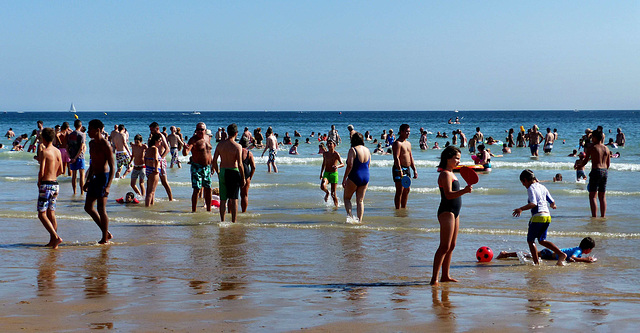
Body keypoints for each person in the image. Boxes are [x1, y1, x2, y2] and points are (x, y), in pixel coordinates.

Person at [430, 146, 472, 286]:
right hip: (446, 210)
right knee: (444, 246)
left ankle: (445, 276)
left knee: (452, 245)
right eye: (456, 158)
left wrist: (463, 191)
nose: (459, 161)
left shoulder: (453, 173)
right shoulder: (444, 174)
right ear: (448, 158)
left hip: (455, 212)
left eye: (459, 158)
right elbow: (448, 194)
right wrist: (464, 191)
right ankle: (434, 279)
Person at [512, 169, 566, 265]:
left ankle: (536, 263)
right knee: (542, 240)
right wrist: (553, 205)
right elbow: (552, 201)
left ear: (525, 180)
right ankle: (561, 254)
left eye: (523, 183)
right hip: (547, 217)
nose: (523, 185)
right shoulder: (542, 187)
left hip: (538, 217)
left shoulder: (531, 188)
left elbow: (533, 203)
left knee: (530, 240)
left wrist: (520, 209)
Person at [83, 119, 115, 244]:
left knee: (101, 209)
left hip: (104, 177)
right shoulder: (91, 144)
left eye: (90, 128)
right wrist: (88, 180)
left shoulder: (105, 144)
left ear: (97, 130)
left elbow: (112, 167)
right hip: (95, 177)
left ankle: (104, 238)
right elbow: (92, 163)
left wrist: (108, 186)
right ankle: (106, 232)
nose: (88, 131)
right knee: (88, 207)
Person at [36, 128, 64, 249]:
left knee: (41, 214)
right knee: (51, 213)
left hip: (46, 184)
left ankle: (55, 237)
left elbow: (41, 171)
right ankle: (53, 241)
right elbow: (62, 170)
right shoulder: (58, 151)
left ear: (43, 138)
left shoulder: (44, 152)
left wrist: (39, 182)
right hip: (55, 185)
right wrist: (53, 176)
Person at [213, 123, 245, 223]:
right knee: (234, 198)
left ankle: (222, 221)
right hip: (233, 171)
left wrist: (218, 172)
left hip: (223, 171)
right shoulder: (237, 146)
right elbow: (240, 164)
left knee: (223, 199)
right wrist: (243, 177)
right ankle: (233, 221)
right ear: (236, 133)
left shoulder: (220, 145)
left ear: (227, 132)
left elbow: (214, 161)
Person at [578, 130, 611, 217]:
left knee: (592, 196)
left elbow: (585, 161)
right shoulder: (607, 148)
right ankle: (603, 216)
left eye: (592, 137)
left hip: (596, 171)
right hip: (604, 171)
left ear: (595, 138)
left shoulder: (592, 148)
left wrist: (579, 165)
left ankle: (594, 216)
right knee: (602, 196)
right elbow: (608, 164)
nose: (591, 138)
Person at [182, 122, 213, 212]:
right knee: (197, 189)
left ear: (205, 130)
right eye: (198, 129)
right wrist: (184, 148)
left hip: (207, 167)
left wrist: (213, 165)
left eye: (201, 129)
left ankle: (209, 209)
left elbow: (209, 152)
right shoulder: (193, 140)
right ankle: (194, 211)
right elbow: (185, 153)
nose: (199, 131)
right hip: (197, 167)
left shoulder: (208, 138)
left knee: (208, 188)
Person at [497, 237, 597, 263]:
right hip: (549, 254)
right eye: (591, 250)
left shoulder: (578, 249)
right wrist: (586, 260)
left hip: (549, 253)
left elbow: (571, 258)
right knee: (529, 255)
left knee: (529, 255)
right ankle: (505, 254)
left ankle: (507, 254)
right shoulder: (578, 251)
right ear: (588, 249)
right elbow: (573, 257)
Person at [342, 132, 370, 222]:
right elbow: (368, 165)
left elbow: (349, 165)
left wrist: (344, 178)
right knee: (360, 201)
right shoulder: (367, 150)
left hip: (355, 175)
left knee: (347, 198)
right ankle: (359, 221)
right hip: (365, 176)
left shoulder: (353, 150)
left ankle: (350, 218)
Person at [392, 124, 418, 209]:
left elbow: (410, 157)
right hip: (399, 168)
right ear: (401, 131)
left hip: (407, 168)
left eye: (409, 131)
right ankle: (397, 209)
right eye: (407, 131)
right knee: (400, 190)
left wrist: (414, 169)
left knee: (407, 190)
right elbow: (396, 157)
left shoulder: (408, 143)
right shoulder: (397, 143)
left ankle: (403, 207)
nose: (408, 133)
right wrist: (400, 170)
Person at [149, 122, 173, 201]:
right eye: (150, 130)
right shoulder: (153, 136)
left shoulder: (161, 136)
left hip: (160, 161)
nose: (151, 132)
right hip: (153, 161)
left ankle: (171, 198)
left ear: (157, 129)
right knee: (153, 181)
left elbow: (167, 149)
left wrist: (160, 158)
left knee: (164, 181)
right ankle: (152, 199)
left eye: (152, 130)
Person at [319, 139, 344, 207]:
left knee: (333, 194)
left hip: (334, 174)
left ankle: (336, 207)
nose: (329, 145)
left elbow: (342, 164)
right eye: (328, 144)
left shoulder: (336, 154)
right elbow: (323, 163)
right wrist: (321, 173)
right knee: (322, 186)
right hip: (326, 173)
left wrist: (337, 166)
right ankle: (327, 192)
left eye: (330, 144)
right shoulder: (325, 154)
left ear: (334, 145)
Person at [67, 119, 86, 195]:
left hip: (72, 156)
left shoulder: (70, 135)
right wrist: (76, 157)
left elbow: (67, 147)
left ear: (74, 126)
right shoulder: (82, 135)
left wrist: (70, 157)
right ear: (80, 126)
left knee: (74, 176)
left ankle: (74, 192)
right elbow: (81, 148)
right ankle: (82, 192)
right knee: (82, 176)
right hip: (80, 157)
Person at [240, 139, 256, 213]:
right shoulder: (249, 153)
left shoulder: (236, 151)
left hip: (236, 172)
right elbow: (253, 167)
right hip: (246, 174)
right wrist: (250, 177)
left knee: (232, 196)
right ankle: (244, 212)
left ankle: (230, 212)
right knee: (244, 195)